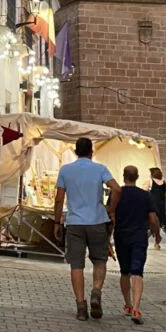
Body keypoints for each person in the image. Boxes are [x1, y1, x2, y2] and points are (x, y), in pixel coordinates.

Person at [52, 137, 120, 321]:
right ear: (92, 151)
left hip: (75, 223)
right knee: (99, 260)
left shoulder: (66, 170)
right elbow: (117, 189)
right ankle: (96, 292)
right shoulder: (100, 169)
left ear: (75, 151)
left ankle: (81, 306)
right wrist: (110, 209)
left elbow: (59, 199)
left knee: (77, 265)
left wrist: (57, 222)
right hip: (97, 221)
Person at [112, 166, 161, 323]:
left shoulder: (116, 194)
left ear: (124, 176)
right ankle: (136, 309)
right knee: (137, 272)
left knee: (124, 271)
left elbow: (110, 215)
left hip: (121, 236)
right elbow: (153, 219)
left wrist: (107, 238)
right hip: (139, 237)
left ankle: (127, 304)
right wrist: (157, 235)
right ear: (137, 177)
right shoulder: (145, 195)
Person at [148, 167, 166, 248]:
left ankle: (153, 238)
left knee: (150, 222)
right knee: (159, 223)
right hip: (161, 206)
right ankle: (157, 242)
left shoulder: (150, 181)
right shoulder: (164, 183)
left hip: (151, 205)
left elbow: (143, 192)